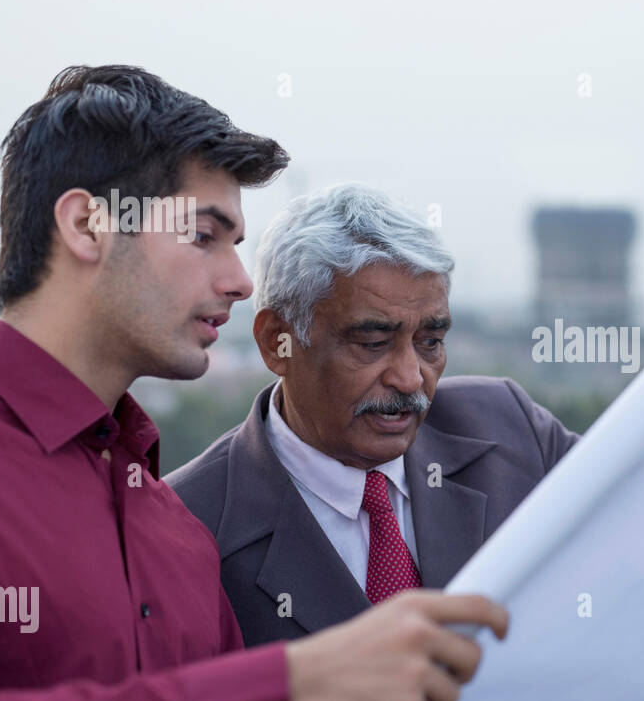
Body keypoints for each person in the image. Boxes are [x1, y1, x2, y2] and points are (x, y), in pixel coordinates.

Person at [0, 65, 507, 701]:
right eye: (205, 236)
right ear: (87, 226)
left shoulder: (176, 532)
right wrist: (288, 691)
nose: (239, 281)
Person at [167, 183, 579, 645]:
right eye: (373, 343)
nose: (410, 378)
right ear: (276, 342)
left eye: (430, 342)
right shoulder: (184, 527)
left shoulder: (512, 430)